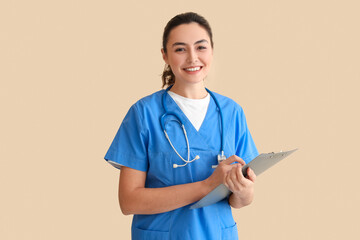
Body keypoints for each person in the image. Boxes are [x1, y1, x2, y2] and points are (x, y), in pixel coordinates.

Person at [104, 12, 259, 240]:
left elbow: (239, 201)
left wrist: (244, 192)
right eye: (180, 49)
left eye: (201, 47)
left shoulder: (232, 112)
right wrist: (207, 185)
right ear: (165, 56)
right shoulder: (143, 114)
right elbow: (128, 201)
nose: (192, 58)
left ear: (212, 51)